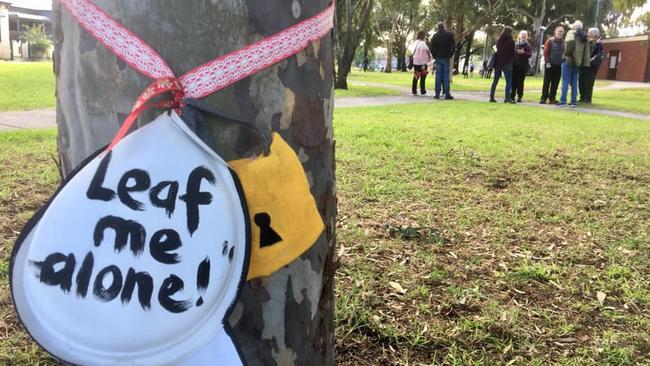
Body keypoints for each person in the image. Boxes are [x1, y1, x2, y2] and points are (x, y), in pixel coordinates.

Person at [558, 20, 589, 107]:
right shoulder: (585, 37)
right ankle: (573, 101)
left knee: (565, 81)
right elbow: (586, 51)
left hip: (569, 60)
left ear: (574, 26)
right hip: (578, 62)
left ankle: (563, 101)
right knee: (574, 82)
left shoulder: (571, 33)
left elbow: (569, 46)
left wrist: (565, 56)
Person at [489, 26, 515, 103]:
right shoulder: (511, 41)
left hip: (498, 62)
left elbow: (497, 50)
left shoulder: (499, 40)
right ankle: (507, 98)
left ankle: (492, 96)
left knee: (495, 80)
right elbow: (512, 53)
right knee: (508, 81)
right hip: (507, 63)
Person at [429, 22, 455, 100]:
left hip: (438, 57)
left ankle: (437, 94)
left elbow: (432, 47)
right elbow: (453, 46)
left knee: (438, 76)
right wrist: (450, 54)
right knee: (446, 76)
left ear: (438, 28)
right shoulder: (449, 35)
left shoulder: (435, 36)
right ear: (444, 27)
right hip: (446, 57)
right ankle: (447, 94)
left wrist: (434, 56)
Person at [540, 26, 565, 104]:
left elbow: (564, 52)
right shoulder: (550, 41)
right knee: (547, 82)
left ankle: (552, 98)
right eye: (559, 31)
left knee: (555, 82)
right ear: (555, 32)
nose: (561, 33)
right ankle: (543, 98)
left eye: (562, 31)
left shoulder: (563, 42)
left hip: (558, 65)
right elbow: (546, 52)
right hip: (549, 64)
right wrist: (547, 62)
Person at [579, 28, 603, 103]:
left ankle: (588, 98)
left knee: (589, 82)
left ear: (594, 34)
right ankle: (582, 97)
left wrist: (590, 60)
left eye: (589, 33)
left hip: (592, 66)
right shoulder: (587, 41)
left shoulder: (599, 44)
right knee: (581, 80)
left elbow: (598, 55)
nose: (588, 34)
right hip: (584, 65)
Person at [510, 30, 532, 102]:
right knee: (513, 82)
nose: (523, 36)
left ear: (527, 37)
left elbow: (529, 54)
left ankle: (520, 97)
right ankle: (512, 96)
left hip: (523, 66)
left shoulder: (528, 45)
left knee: (520, 82)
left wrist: (523, 52)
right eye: (522, 35)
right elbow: (512, 53)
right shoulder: (516, 44)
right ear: (519, 36)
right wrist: (516, 52)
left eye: (525, 35)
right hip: (515, 65)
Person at [411, 31, 432, 95]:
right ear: (423, 36)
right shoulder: (422, 43)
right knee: (423, 77)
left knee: (416, 76)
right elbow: (422, 55)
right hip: (422, 63)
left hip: (415, 62)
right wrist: (423, 64)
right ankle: (422, 90)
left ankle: (414, 90)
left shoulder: (415, 43)